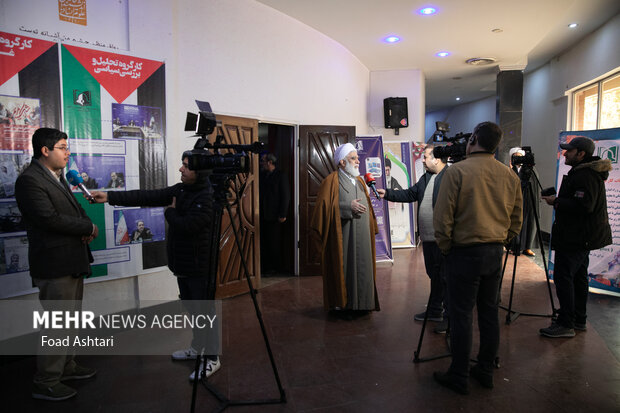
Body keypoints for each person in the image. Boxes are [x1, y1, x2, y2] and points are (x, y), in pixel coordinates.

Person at [90, 152, 219, 381]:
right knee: (192, 310)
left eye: (186, 166)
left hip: (200, 267)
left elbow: (188, 226)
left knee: (204, 312)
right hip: (183, 265)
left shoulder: (207, 196)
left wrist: (169, 212)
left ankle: (212, 358)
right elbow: (149, 195)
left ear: (198, 173)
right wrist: (108, 196)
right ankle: (197, 347)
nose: (181, 169)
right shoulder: (181, 190)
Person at [433, 122, 522, 394]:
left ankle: (458, 375)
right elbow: (517, 219)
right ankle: (485, 370)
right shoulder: (510, 176)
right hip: (494, 253)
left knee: (461, 315)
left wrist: (447, 247)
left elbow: (443, 218)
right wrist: (502, 241)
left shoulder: (456, 171)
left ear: (472, 139)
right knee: (489, 313)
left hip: (463, 252)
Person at [15, 127, 98, 401]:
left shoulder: (57, 176)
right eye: (63, 147)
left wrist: (85, 224)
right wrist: (87, 226)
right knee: (56, 324)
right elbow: (48, 218)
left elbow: (74, 210)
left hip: (72, 260)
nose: (68, 152)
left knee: (70, 321)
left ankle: (67, 366)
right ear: (45, 150)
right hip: (53, 264)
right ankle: (47, 381)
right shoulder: (29, 180)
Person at [540, 136, 612, 338]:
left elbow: (584, 206)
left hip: (576, 237)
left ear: (581, 154)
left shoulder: (585, 175)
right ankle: (578, 319)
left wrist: (556, 202)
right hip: (581, 237)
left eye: (569, 151)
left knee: (564, 278)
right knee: (578, 277)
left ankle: (566, 324)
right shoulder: (585, 172)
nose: (565, 153)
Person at [377, 144, 449, 333]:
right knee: (434, 276)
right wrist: (388, 194)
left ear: (437, 158)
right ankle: (434, 310)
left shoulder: (450, 177)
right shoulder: (426, 177)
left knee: (446, 278)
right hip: (428, 238)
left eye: (425, 157)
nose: (423, 160)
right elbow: (410, 193)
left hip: (443, 239)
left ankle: (449, 318)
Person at [310, 142, 380, 317]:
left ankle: (363, 304)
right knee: (346, 269)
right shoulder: (330, 181)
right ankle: (346, 306)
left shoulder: (360, 181)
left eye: (357, 158)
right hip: (344, 237)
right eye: (353, 158)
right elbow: (322, 209)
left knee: (364, 268)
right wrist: (346, 207)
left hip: (363, 235)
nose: (358, 161)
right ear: (342, 162)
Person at [259, 153, 290, 275]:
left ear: (269, 162)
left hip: (275, 216)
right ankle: (265, 267)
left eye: (263, 161)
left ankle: (275, 268)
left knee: (274, 243)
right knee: (264, 242)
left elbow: (285, 195)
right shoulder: (262, 175)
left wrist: (283, 213)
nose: (261, 163)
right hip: (263, 215)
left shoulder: (281, 175)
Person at [508, 147, 540, 257]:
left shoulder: (530, 170)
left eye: (520, 156)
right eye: (515, 156)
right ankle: (514, 247)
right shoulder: (510, 171)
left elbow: (535, 186)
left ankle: (527, 247)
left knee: (530, 224)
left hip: (529, 201)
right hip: (516, 201)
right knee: (516, 222)